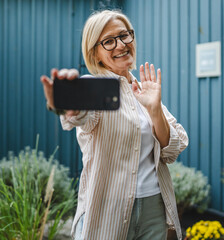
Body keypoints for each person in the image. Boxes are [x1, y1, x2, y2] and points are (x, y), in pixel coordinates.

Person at [41, 9, 188, 240]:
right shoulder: (94, 87)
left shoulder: (145, 89)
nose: (120, 45)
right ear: (96, 53)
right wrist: (67, 103)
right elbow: (79, 116)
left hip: (155, 207)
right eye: (108, 41)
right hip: (107, 210)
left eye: (124, 35)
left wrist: (155, 109)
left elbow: (173, 149)